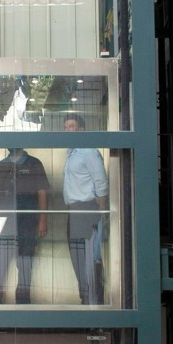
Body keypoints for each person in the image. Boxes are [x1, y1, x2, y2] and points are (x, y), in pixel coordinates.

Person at [0, 148, 49, 304]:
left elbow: (42, 193)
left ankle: (23, 305)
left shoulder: (34, 163)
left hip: (27, 221)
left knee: (24, 262)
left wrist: (42, 221)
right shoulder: (2, 165)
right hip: (3, 221)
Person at [62, 114, 108, 304]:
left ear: (81, 129)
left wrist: (102, 217)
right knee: (77, 258)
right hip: (73, 211)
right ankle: (85, 299)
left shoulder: (88, 151)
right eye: (65, 127)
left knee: (90, 260)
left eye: (71, 126)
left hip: (87, 210)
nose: (67, 130)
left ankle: (94, 302)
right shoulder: (71, 153)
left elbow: (101, 183)